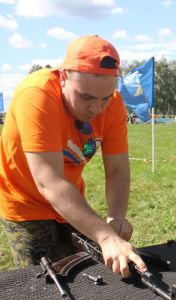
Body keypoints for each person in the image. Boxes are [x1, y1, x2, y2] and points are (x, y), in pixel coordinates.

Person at [0, 35, 147, 277]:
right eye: (86, 97)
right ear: (64, 77)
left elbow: (118, 169)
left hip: (70, 199)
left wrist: (116, 216)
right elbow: (49, 181)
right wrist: (106, 236)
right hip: (25, 204)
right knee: (46, 284)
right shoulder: (36, 94)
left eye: (105, 98)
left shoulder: (114, 105)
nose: (97, 108)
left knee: (87, 275)